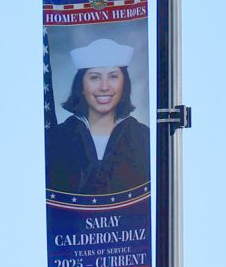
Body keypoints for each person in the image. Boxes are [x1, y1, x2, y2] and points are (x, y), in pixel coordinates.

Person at [46, 38, 150, 195]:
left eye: (113, 76)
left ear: (124, 84)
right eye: (95, 77)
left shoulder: (142, 136)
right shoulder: (58, 138)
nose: (104, 87)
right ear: (81, 85)